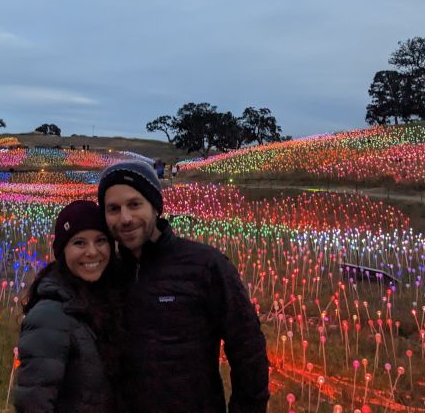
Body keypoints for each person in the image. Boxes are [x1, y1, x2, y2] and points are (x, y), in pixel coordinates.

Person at [98, 160, 270, 413]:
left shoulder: (205, 266)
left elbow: (248, 350)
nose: (125, 218)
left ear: (156, 207)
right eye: (113, 209)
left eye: (135, 204)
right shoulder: (106, 274)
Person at [14, 200, 119, 413]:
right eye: (79, 243)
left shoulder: (107, 299)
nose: (92, 252)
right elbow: (34, 403)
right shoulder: (49, 316)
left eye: (100, 240)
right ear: (62, 250)